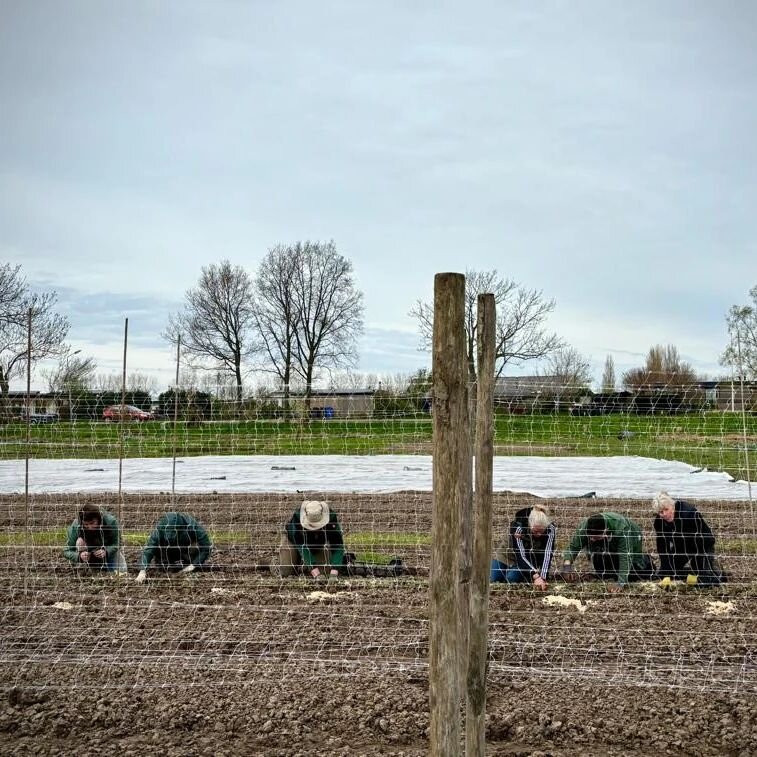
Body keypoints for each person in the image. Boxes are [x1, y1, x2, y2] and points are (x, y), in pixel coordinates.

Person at [558, 512, 655, 590]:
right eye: (590, 537)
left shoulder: (622, 528)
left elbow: (625, 556)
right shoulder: (585, 527)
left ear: (605, 531)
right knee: (603, 571)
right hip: (604, 543)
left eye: (595, 538)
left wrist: (621, 583)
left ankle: (646, 560)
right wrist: (567, 567)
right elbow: (573, 547)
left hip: (632, 540)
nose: (591, 540)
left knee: (632, 575)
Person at [652, 491, 725, 586]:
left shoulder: (689, 513)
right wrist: (666, 571)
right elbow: (662, 547)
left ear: (672, 506)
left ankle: (715, 570)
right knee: (664, 573)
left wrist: (699, 563)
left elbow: (700, 540)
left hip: (701, 545)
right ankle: (688, 572)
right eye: (661, 512)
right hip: (680, 547)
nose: (664, 514)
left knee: (706, 579)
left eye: (666, 509)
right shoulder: (659, 522)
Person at [490, 505, 556, 590]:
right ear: (529, 524)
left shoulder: (550, 529)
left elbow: (547, 553)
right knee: (494, 578)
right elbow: (521, 556)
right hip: (507, 555)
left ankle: (526, 574)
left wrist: (542, 578)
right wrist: (536, 576)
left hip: (530, 559)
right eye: (536, 531)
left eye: (541, 531)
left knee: (511, 579)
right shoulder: (518, 527)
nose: (539, 534)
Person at [135, 512, 212, 583]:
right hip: (167, 550)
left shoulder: (192, 525)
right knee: (163, 565)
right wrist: (142, 571)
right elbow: (149, 549)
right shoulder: (160, 528)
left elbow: (206, 547)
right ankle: (165, 564)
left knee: (196, 546)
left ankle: (189, 563)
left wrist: (194, 565)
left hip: (185, 548)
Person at [279, 500, 345, 580]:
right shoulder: (297, 518)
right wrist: (316, 574)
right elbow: (302, 547)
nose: (314, 529)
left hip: (316, 543)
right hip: (292, 542)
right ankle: (273, 561)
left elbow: (338, 546)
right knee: (286, 572)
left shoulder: (331, 519)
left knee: (326, 571)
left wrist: (334, 573)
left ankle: (304, 564)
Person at [63, 504, 127, 573]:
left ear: (98, 519)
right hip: (87, 552)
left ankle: (105, 566)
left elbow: (117, 543)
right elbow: (67, 551)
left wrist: (106, 551)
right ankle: (85, 566)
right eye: (86, 524)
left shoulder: (111, 522)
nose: (90, 527)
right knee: (79, 542)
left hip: (107, 552)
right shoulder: (76, 526)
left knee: (122, 571)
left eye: (92, 523)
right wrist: (79, 556)